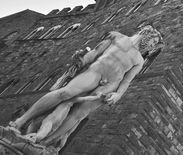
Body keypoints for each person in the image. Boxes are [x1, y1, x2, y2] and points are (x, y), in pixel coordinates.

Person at [9, 25, 163, 136]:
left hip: (110, 84)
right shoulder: (116, 36)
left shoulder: (139, 60)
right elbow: (95, 52)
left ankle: (43, 143)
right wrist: (80, 61)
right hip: (95, 71)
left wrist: (118, 95)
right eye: (152, 42)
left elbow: (127, 81)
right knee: (65, 93)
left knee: (80, 113)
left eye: (153, 45)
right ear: (146, 34)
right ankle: (21, 121)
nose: (151, 46)